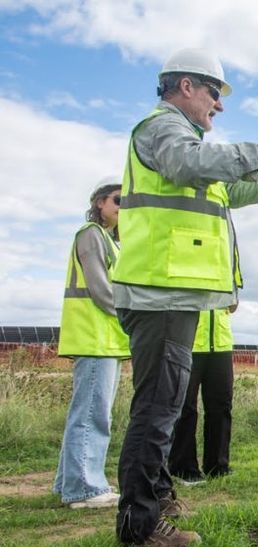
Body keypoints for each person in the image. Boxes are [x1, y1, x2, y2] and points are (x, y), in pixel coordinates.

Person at [111, 47, 258, 547]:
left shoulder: (183, 141)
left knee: (163, 406)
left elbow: (229, 191)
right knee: (156, 410)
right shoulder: (162, 130)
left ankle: (158, 497)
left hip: (173, 295)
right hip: (159, 293)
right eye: (215, 92)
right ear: (185, 86)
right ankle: (141, 526)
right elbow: (196, 165)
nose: (220, 105)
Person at [53, 176, 130, 509]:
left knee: (89, 412)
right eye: (116, 199)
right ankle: (85, 490)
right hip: (94, 335)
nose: (121, 206)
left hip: (105, 338)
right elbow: (101, 290)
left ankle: (68, 483)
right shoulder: (92, 235)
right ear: (99, 203)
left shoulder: (112, 241)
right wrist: (133, 320)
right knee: (91, 415)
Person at [168, 306, 236, 485]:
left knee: (222, 406)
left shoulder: (228, 274)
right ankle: (183, 468)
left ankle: (218, 466)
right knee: (185, 406)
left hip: (221, 343)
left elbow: (233, 305)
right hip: (190, 341)